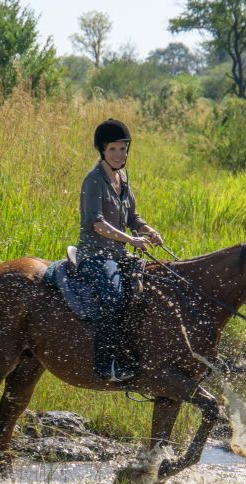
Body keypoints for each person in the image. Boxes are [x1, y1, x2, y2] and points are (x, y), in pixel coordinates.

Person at [76, 119, 163, 382]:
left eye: (123, 149)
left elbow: (133, 217)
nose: (119, 154)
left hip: (118, 256)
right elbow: (97, 224)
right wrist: (132, 240)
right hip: (95, 256)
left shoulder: (122, 178)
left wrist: (149, 231)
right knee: (113, 298)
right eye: (113, 149)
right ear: (102, 150)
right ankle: (105, 366)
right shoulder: (93, 181)